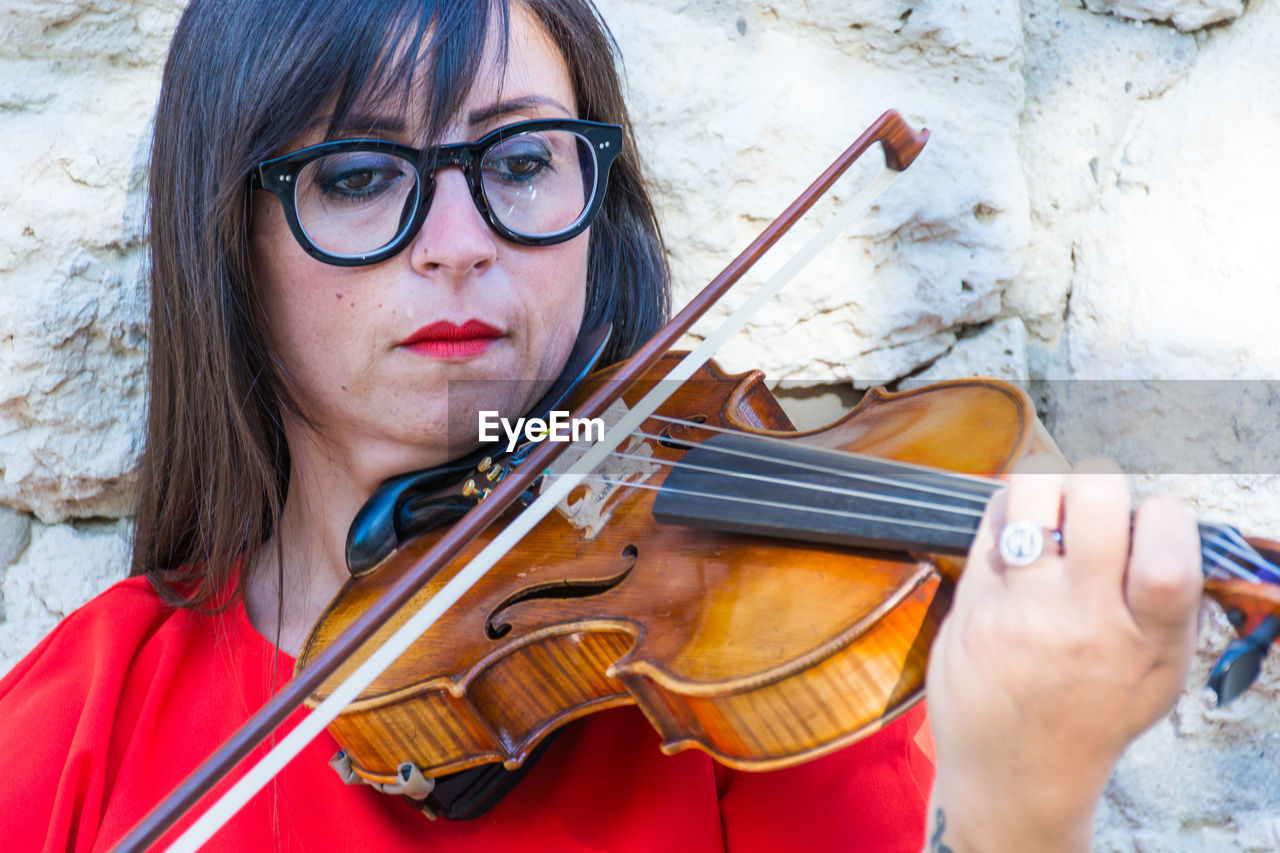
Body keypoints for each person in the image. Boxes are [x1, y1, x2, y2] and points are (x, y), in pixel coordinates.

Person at [0, 0, 1202, 851]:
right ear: (231, 239)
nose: (461, 239)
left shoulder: (737, 684)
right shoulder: (90, 720)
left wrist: (1023, 812)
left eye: (520, 159)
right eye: (359, 174)